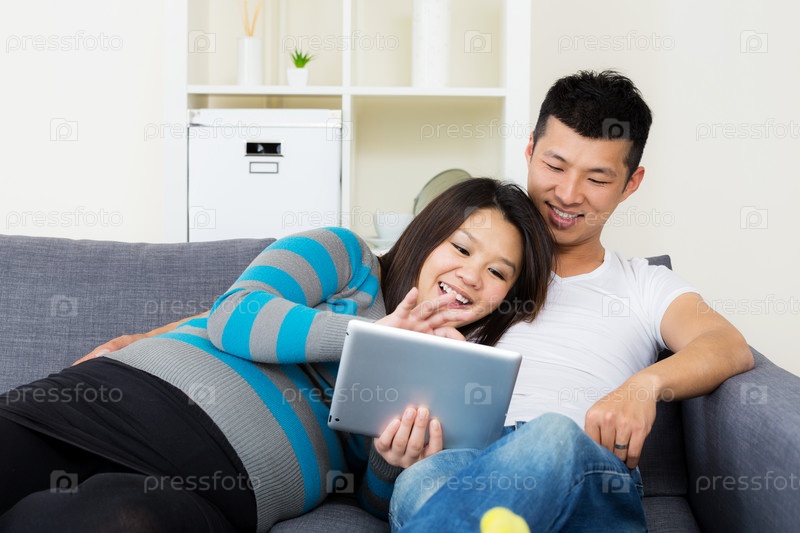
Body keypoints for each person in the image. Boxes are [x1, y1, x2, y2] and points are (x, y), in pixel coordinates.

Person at [0, 178, 553, 532]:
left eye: (497, 272)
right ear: (427, 236)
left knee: (112, 520)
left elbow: (373, 502)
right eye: (461, 247)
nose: (471, 275)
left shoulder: (447, 374)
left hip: (218, 487)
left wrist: (393, 461)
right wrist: (375, 332)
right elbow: (236, 315)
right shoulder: (348, 258)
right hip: (115, 404)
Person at [388, 70, 754, 531]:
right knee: (421, 482)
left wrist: (642, 388)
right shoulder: (476, 275)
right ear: (529, 151)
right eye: (555, 167)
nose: (566, 194)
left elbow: (727, 344)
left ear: (631, 183)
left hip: (582, 464)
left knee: (553, 434)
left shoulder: (644, 284)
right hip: (464, 461)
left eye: (597, 178)